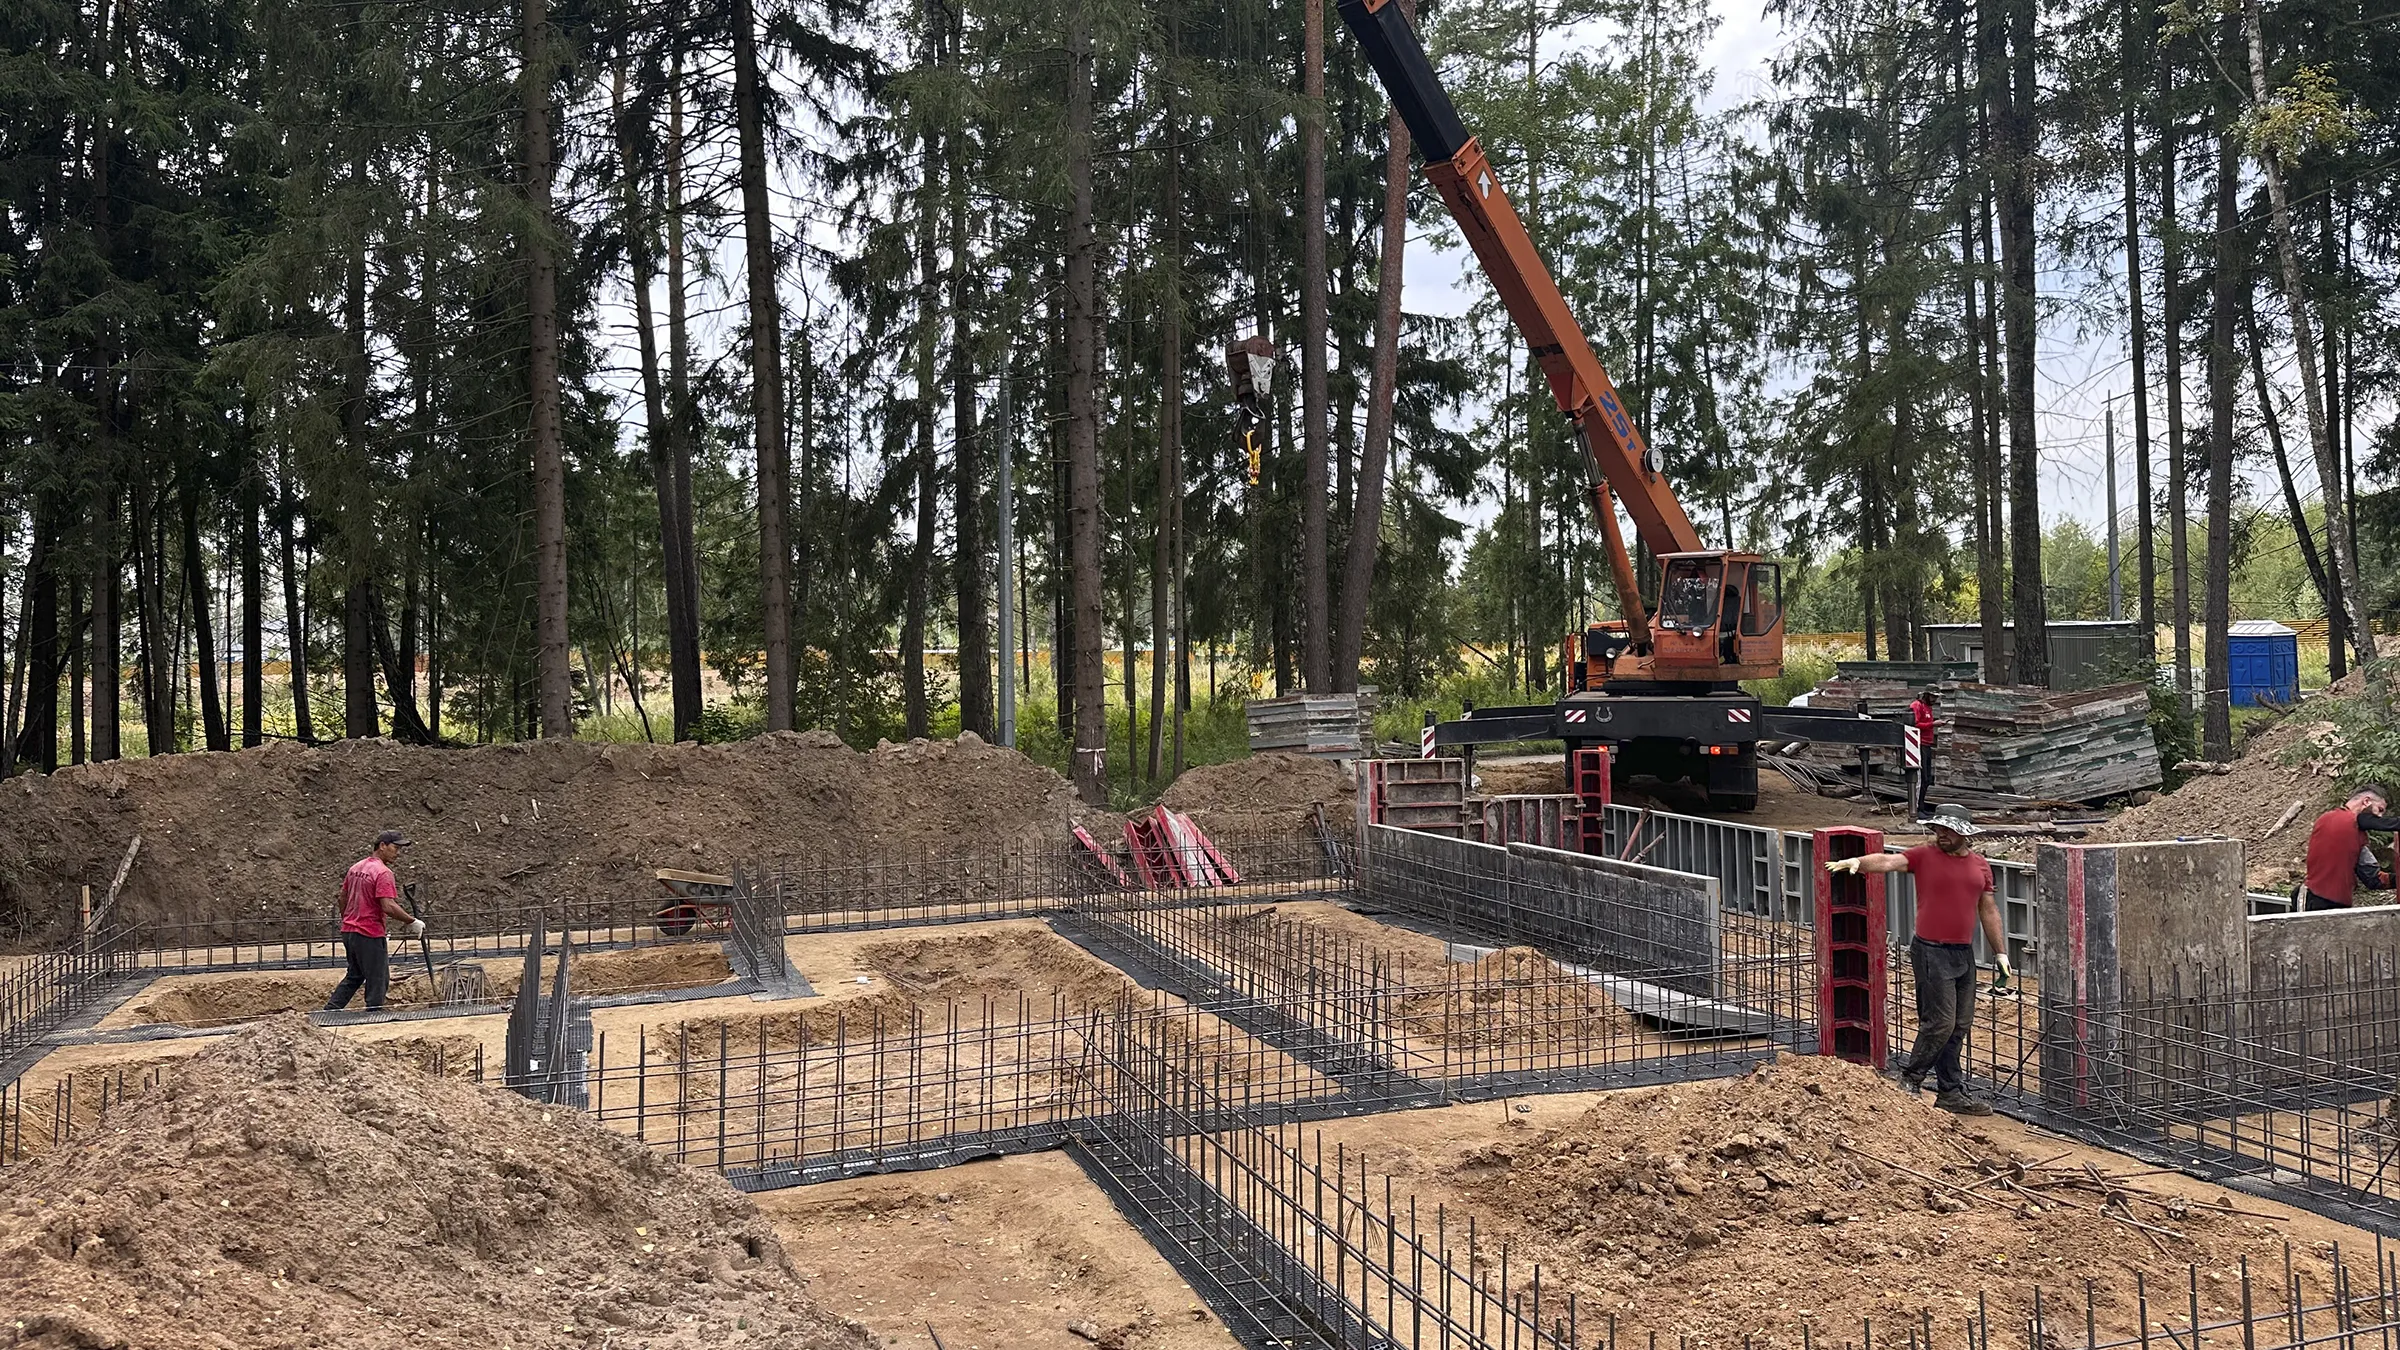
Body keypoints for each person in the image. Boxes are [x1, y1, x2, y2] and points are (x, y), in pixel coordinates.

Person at [1825, 804, 2011, 1116]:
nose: (1941, 835)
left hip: (1962, 954)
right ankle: (1910, 1079)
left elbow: (1988, 909)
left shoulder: (1980, 866)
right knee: (1940, 1022)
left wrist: (2001, 952)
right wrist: (1857, 861)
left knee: (1959, 1024)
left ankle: (1950, 1091)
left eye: (1948, 830)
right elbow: (1888, 861)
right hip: (1931, 951)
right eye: (1938, 829)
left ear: (1964, 833)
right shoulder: (1924, 856)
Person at [326, 830, 424, 1012]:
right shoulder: (383, 873)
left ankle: (330, 1010)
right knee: (378, 976)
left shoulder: (356, 868)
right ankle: (374, 1012)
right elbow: (388, 905)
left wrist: (347, 920)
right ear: (382, 846)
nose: (398, 852)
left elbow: (342, 897)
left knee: (355, 974)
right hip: (369, 931)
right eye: (395, 847)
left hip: (349, 931)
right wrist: (411, 921)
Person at [2300, 786, 2400, 911]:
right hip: (2316, 900)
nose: (2379, 816)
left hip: (2334, 904)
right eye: (2379, 810)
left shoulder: (2354, 832)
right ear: (2366, 801)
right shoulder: (2336, 819)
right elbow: (2371, 822)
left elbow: (2373, 879)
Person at [1908, 688, 1940, 819]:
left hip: (1927, 744)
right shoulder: (1917, 705)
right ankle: (1916, 808)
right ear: (1926, 695)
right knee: (1920, 777)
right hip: (1918, 744)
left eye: (1936, 697)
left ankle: (1921, 806)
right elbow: (1914, 724)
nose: (1934, 700)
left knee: (1927, 778)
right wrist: (1933, 724)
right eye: (1933, 696)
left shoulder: (1928, 707)